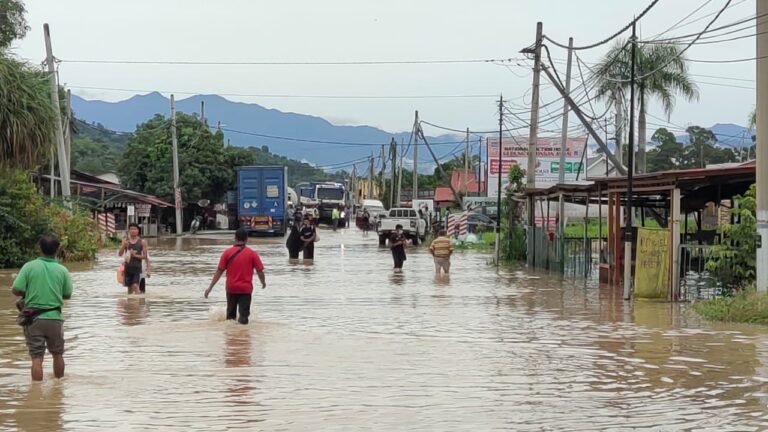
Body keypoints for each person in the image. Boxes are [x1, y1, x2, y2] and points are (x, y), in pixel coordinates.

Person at [11, 233, 73, 381]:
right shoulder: (62, 270)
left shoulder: (29, 266)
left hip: (34, 318)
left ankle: (37, 390)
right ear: (58, 249)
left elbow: (16, 289)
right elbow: (67, 294)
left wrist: (29, 292)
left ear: (39, 248)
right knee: (58, 354)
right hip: (55, 318)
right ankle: (59, 387)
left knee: (36, 358)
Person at [204, 228, 266, 325]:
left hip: (231, 288)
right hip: (245, 289)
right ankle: (243, 333)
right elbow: (260, 271)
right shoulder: (252, 254)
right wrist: (263, 282)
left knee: (230, 318)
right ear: (246, 239)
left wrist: (210, 288)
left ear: (235, 238)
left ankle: (231, 334)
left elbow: (219, 271)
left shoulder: (227, 253)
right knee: (244, 318)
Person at [118, 223, 149, 295]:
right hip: (127, 268)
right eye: (131, 229)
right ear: (129, 230)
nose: (133, 231)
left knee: (135, 285)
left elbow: (145, 256)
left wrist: (135, 255)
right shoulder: (125, 241)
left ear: (138, 231)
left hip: (137, 268)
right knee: (129, 290)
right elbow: (120, 254)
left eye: (135, 229)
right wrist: (123, 246)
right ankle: (131, 302)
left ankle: (140, 299)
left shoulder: (142, 242)